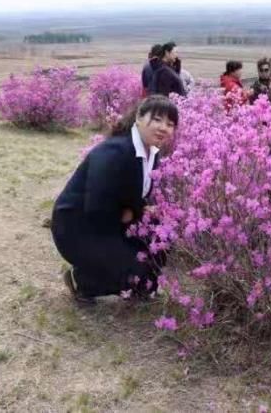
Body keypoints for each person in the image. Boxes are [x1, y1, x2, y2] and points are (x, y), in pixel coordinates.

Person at [51, 95, 178, 304]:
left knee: (162, 237)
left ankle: (141, 285)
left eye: (170, 124)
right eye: (157, 120)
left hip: (112, 221)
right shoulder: (116, 151)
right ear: (138, 117)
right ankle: (81, 281)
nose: (164, 128)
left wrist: (139, 210)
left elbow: (133, 196)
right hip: (79, 227)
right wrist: (135, 212)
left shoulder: (152, 153)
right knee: (133, 271)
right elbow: (96, 206)